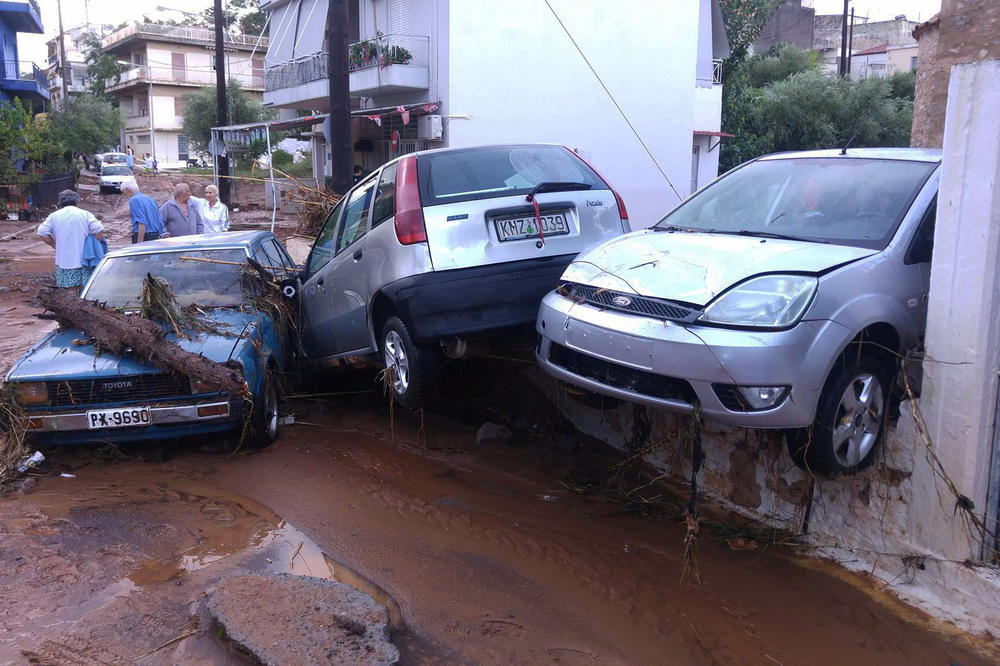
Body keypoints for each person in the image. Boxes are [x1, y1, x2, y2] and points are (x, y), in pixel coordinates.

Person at [36, 189, 104, 291]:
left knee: (70, 290)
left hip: (64, 261)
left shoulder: (54, 216)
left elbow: (42, 232)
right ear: (77, 201)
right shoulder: (85, 214)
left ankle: (73, 306)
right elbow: (99, 229)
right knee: (86, 289)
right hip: (84, 259)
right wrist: (93, 244)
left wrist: (53, 243)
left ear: (60, 202)